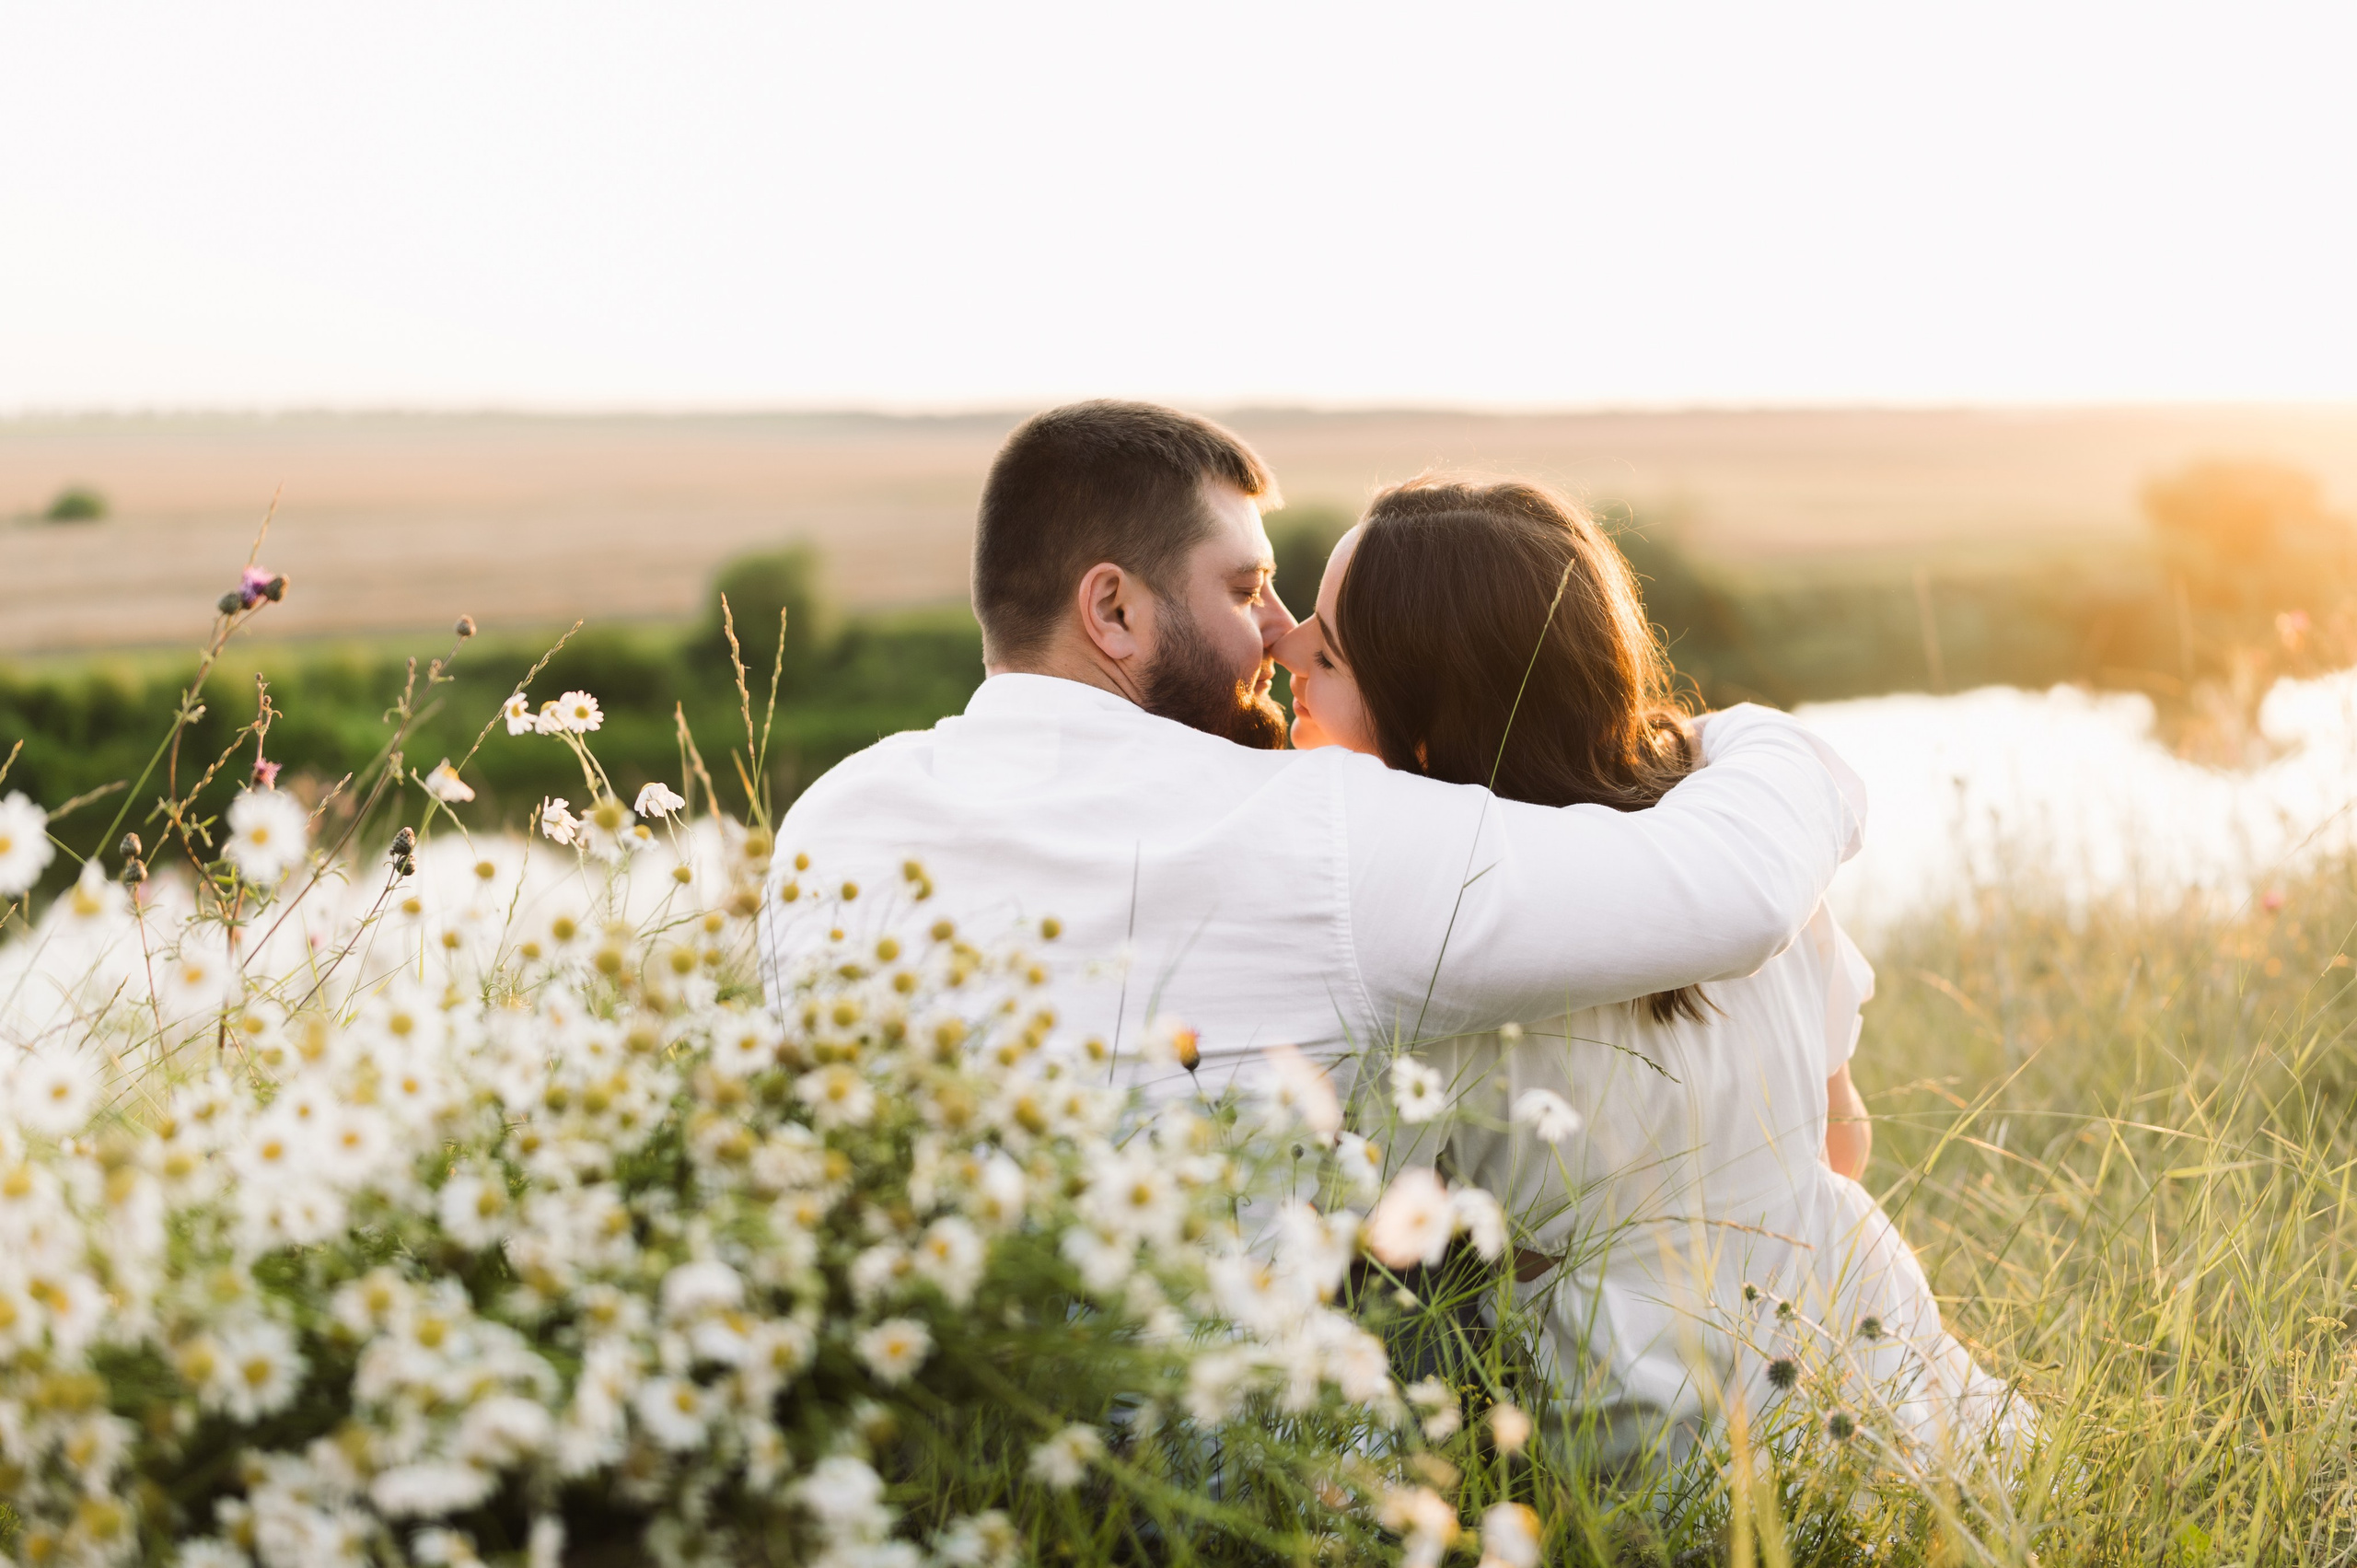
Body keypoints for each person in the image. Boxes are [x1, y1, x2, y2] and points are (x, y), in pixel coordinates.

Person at [759, 401, 1865, 1103]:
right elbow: (1731, 892)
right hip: (1262, 1467)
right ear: (1114, 610)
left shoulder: (838, 816)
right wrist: (1739, 734)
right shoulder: (1306, 827)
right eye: (1246, 589)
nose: (1278, 632)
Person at [1277, 474, 2022, 1462]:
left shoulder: (1437, 931)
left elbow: (1354, 1238)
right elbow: (1842, 1141)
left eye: (1324, 651)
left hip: (1637, 1404)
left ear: (1422, 725)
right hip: (1861, 1328)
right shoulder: (1731, 846)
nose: (1282, 647)